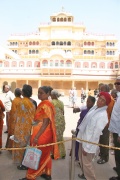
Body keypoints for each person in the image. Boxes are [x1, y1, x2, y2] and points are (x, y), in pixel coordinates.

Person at [19, 86, 59, 180]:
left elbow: (45, 123)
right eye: (38, 92)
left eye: (41, 93)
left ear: (48, 94)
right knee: (45, 154)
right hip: (43, 131)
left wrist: (37, 136)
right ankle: (46, 173)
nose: (39, 94)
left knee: (36, 154)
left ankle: (30, 176)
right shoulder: (44, 103)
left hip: (42, 133)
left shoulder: (46, 105)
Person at [77, 91, 111, 180]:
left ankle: (91, 178)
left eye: (103, 100)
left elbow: (95, 134)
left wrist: (87, 147)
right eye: (100, 98)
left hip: (89, 143)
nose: (100, 101)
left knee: (87, 164)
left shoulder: (102, 115)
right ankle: (85, 175)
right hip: (83, 139)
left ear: (106, 103)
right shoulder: (95, 108)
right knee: (82, 160)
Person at [12, 84, 36, 169]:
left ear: (23, 92)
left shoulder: (20, 102)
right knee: (28, 144)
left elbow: (15, 115)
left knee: (20, 145)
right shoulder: (33, 102)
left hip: (20, 127)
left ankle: (22, 163)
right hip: (30, 127)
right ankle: (27, 162)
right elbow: (35, 116)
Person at [73, 96, 96, 166]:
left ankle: (83, 161)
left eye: (89, 102)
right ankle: (77, 157)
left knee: (83, 144)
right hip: (79, 128)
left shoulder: (93, 111)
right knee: (78, 143)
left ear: (93, 103)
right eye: (87, 101)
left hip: (87, 130)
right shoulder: (85, 108)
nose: (87, 103)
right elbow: (79, 110)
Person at [97, 84, 115, 164]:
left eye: (102, 90)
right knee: (101, 140)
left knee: (104, 140)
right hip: (101, 123)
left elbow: (111, 113)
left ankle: (104, 157)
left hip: (106, 124)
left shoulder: (110, 100)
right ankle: (102, 154)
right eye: (100, 90)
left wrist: (108, 124)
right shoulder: (102, 98)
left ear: (106, 90)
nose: (100, 91)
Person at [109, 76, 120, 180]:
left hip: (119, 131)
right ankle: (118, 168)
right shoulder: (118, 96)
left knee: (119, 153)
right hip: (116, 129)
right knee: (117, 152)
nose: (116, 85)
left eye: (118, 84)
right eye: (115, 83)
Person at [51, 89, 66, 159]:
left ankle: (55, 154)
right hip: (61, 122)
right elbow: (63, 112)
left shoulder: (51, 102)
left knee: (54, 137)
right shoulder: (61, 103)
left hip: (55, 122)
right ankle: (62, 153)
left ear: (53, 95)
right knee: (60, 137)